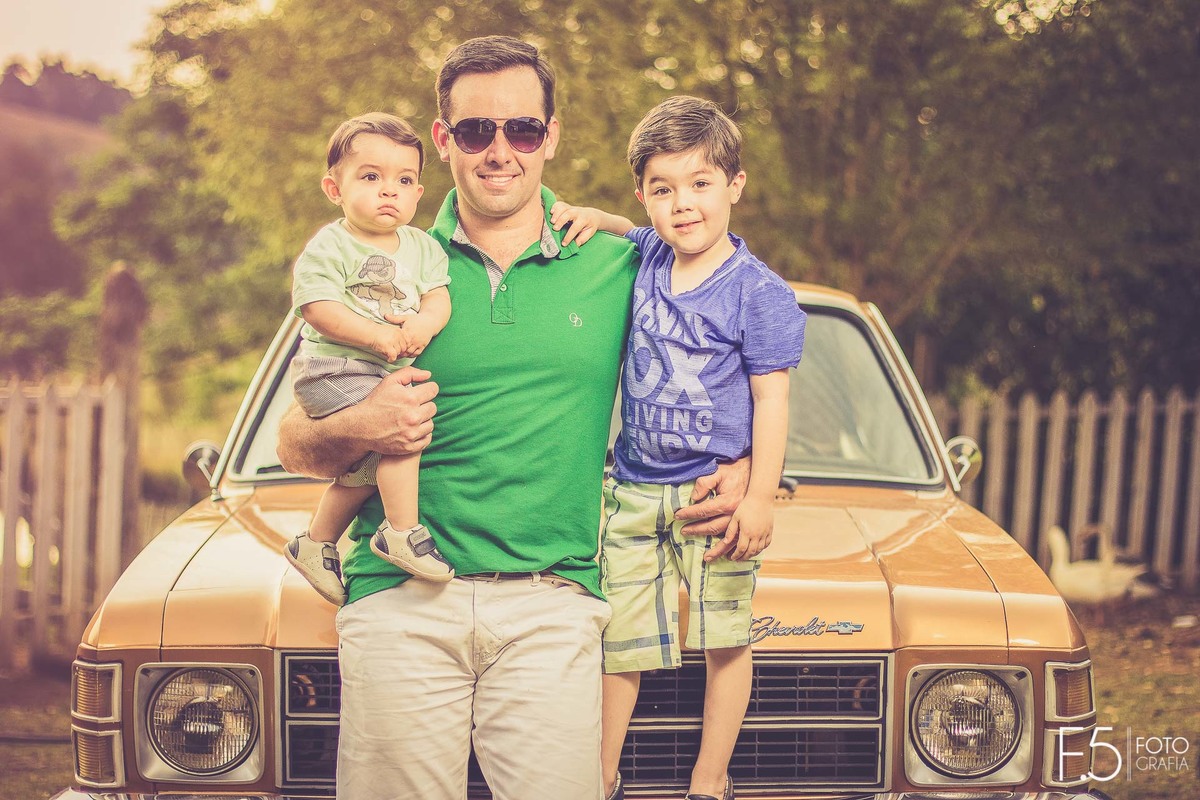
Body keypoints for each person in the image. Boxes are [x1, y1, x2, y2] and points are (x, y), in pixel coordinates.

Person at [275, 38, 750, 800]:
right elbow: (295, 439)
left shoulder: (618, 265)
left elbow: (732, 339)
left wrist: (748, 467)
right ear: (443, 141)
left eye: (522, 130)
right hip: (399, 599)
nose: (501, 151)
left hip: (553, 601)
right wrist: (368, 424)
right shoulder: (380, 266)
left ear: (551, 137)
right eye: (475, 132)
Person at [551, 95, 807, 800]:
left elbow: (771, 400)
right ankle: (599, 774)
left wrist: (758, 497)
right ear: (643, 196)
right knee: (619, 644)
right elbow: (619, 230)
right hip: (632, 489)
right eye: (662, 189)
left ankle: (709, 777)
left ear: (735, 185)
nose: (682, 204)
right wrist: (590, 216)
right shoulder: (646, 255)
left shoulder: (760, 294)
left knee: (725, 637)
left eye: (700, 183)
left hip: (713, 497)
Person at [284, 112, 454, 609]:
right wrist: (377, 336)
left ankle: (315, 543)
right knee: (403, 429)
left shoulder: (423, 247)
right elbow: (317, 308)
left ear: (419, 193)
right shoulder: (331, 245)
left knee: (361, 471)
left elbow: (438, 298)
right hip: (334, 370)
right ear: (334, 189)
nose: (389, 191)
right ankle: (401, 531)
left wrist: (424, 323)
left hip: (381, 368)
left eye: (403, 180)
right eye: (370, 176)